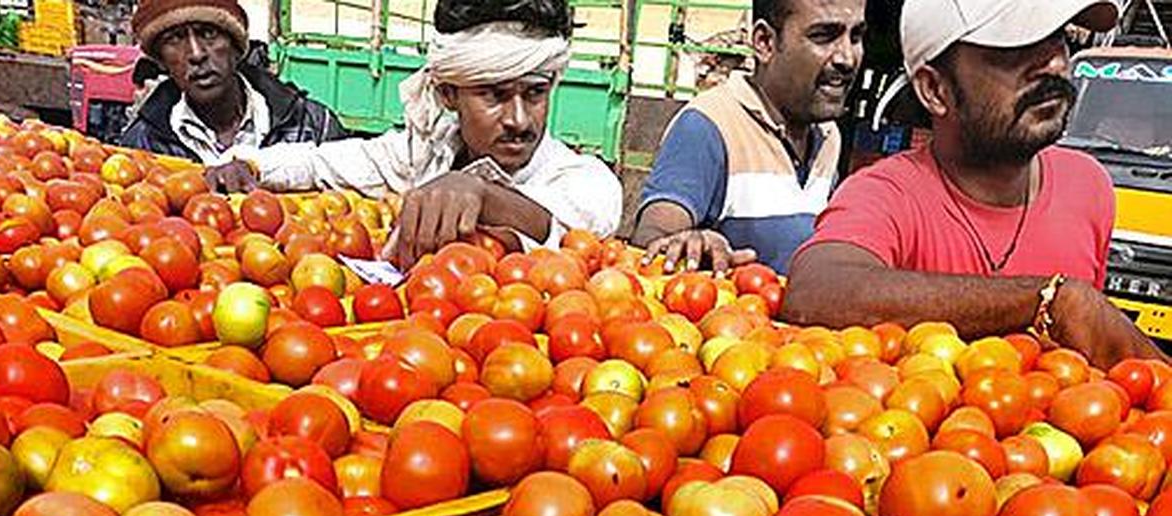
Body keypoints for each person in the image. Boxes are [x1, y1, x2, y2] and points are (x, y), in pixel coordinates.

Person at [780, 0, 1163, 367]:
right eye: (1016, 49)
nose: (1055, 63)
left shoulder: (1088, 185)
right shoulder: (885, 194)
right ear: (934, 90)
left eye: (1057, 38)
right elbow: (816, 292)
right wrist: (1045, 300)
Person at [205, 0, 623, 271]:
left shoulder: (582, 177)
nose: (519, 119)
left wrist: (481, 193)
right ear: (447, 94)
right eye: (494, 95)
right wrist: (251, 162)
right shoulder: (424, 150)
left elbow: (570, 225)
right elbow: (325, 162)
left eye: (535, 93)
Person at [632, 0, 866, 274]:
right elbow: (651, 239)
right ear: (765, 42)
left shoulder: (828, 136)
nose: (847, 58)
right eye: (824, 37)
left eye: (856, 36)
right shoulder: (708, 125)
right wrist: (688, 242)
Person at [120, 0, 348, 165]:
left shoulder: (313, 126)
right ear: (162, 61)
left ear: (235, 46)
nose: (196, 54)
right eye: (174, 39)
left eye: (208, 33)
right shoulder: (142, 144)